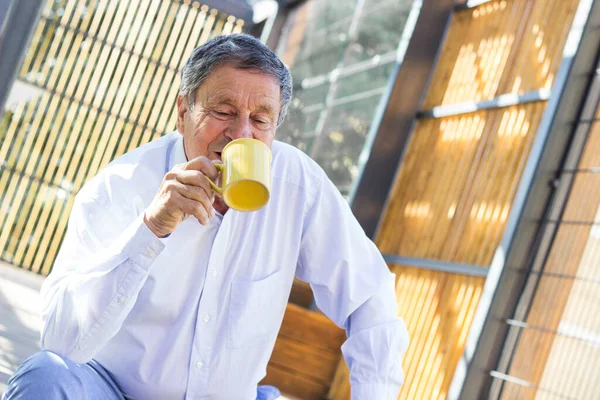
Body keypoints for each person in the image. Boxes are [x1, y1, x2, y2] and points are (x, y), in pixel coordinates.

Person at [3, 33, 409, 400]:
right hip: (113, 392)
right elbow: (60, 341)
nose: (241, 133)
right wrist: (151, 229)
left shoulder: (298, 185)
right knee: (45, 377)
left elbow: (369, 297)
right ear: (183, 111)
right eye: (223, 110)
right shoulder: (120, 186)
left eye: (261, 119)